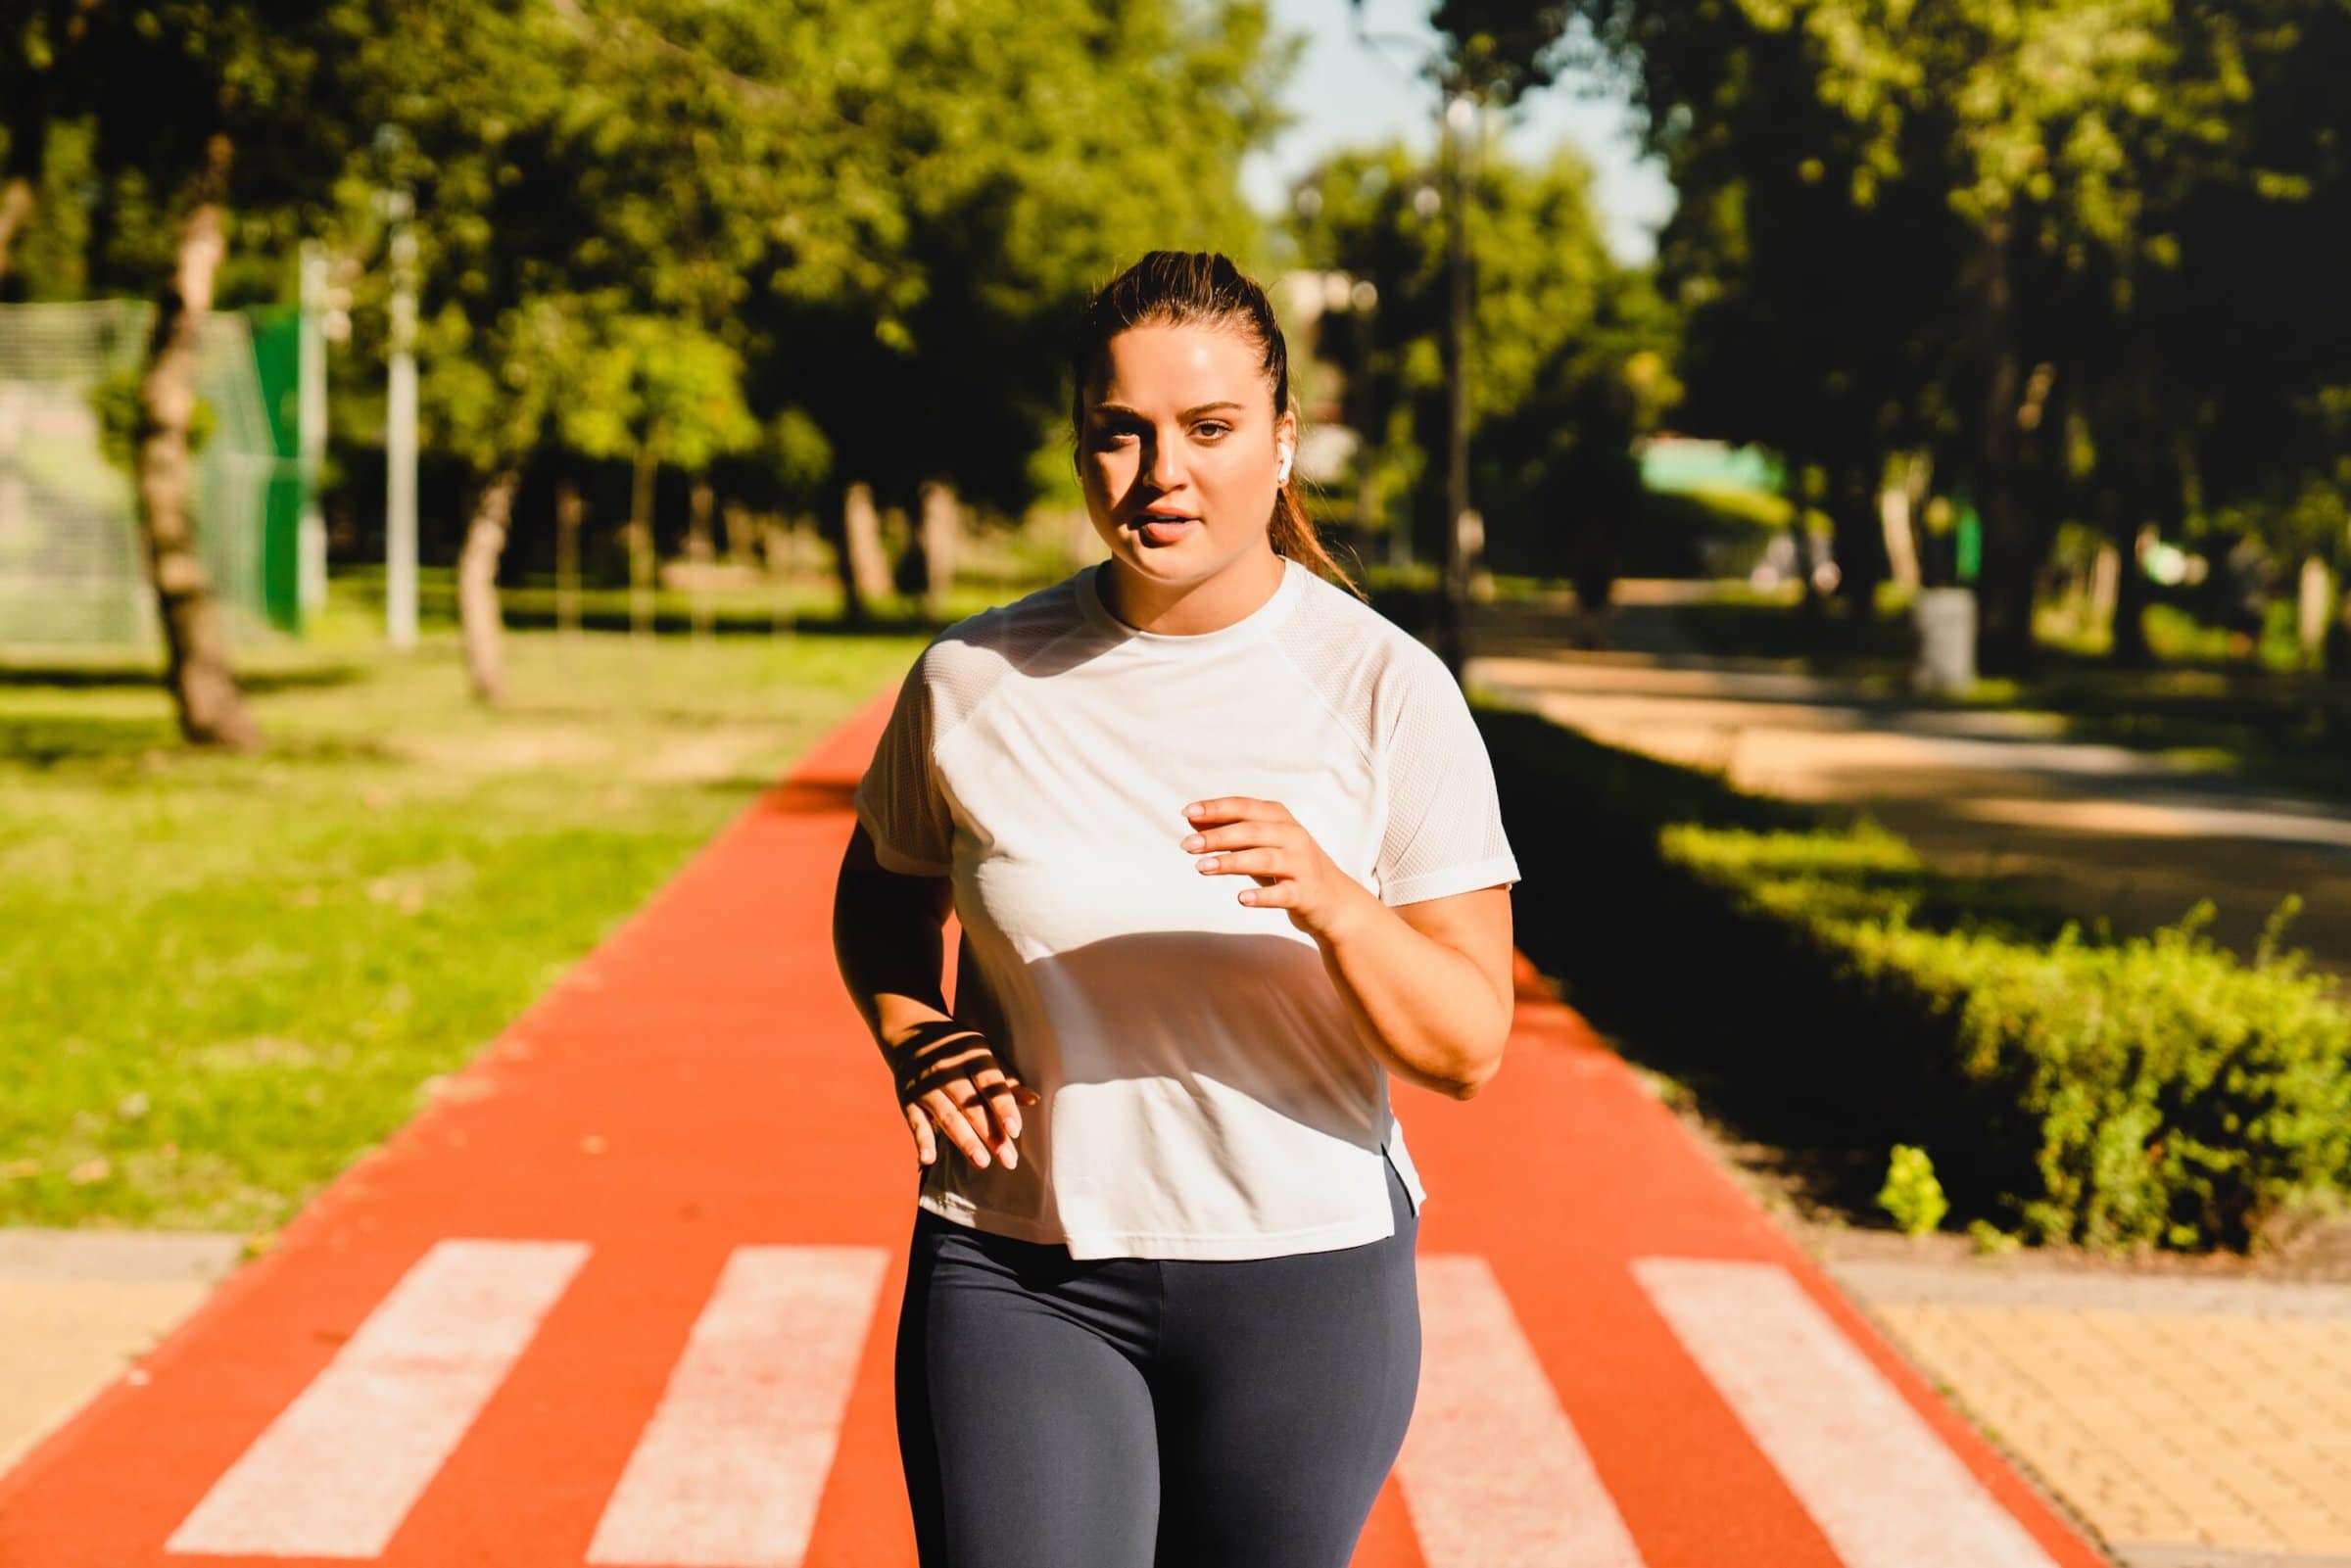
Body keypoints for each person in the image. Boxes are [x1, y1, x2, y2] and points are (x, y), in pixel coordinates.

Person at [831, 249, 1522, 1568]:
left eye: (1208, 429)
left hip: (1301, 1279)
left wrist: (1331, 898)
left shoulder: (1386, 688)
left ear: (1282, 442)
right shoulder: (972, 678)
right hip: (1017, 1266)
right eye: (1122, 434)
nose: (1163, 475)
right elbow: (881, 897)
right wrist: (912, 1027)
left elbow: (1469, 1043)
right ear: (1082, 445)